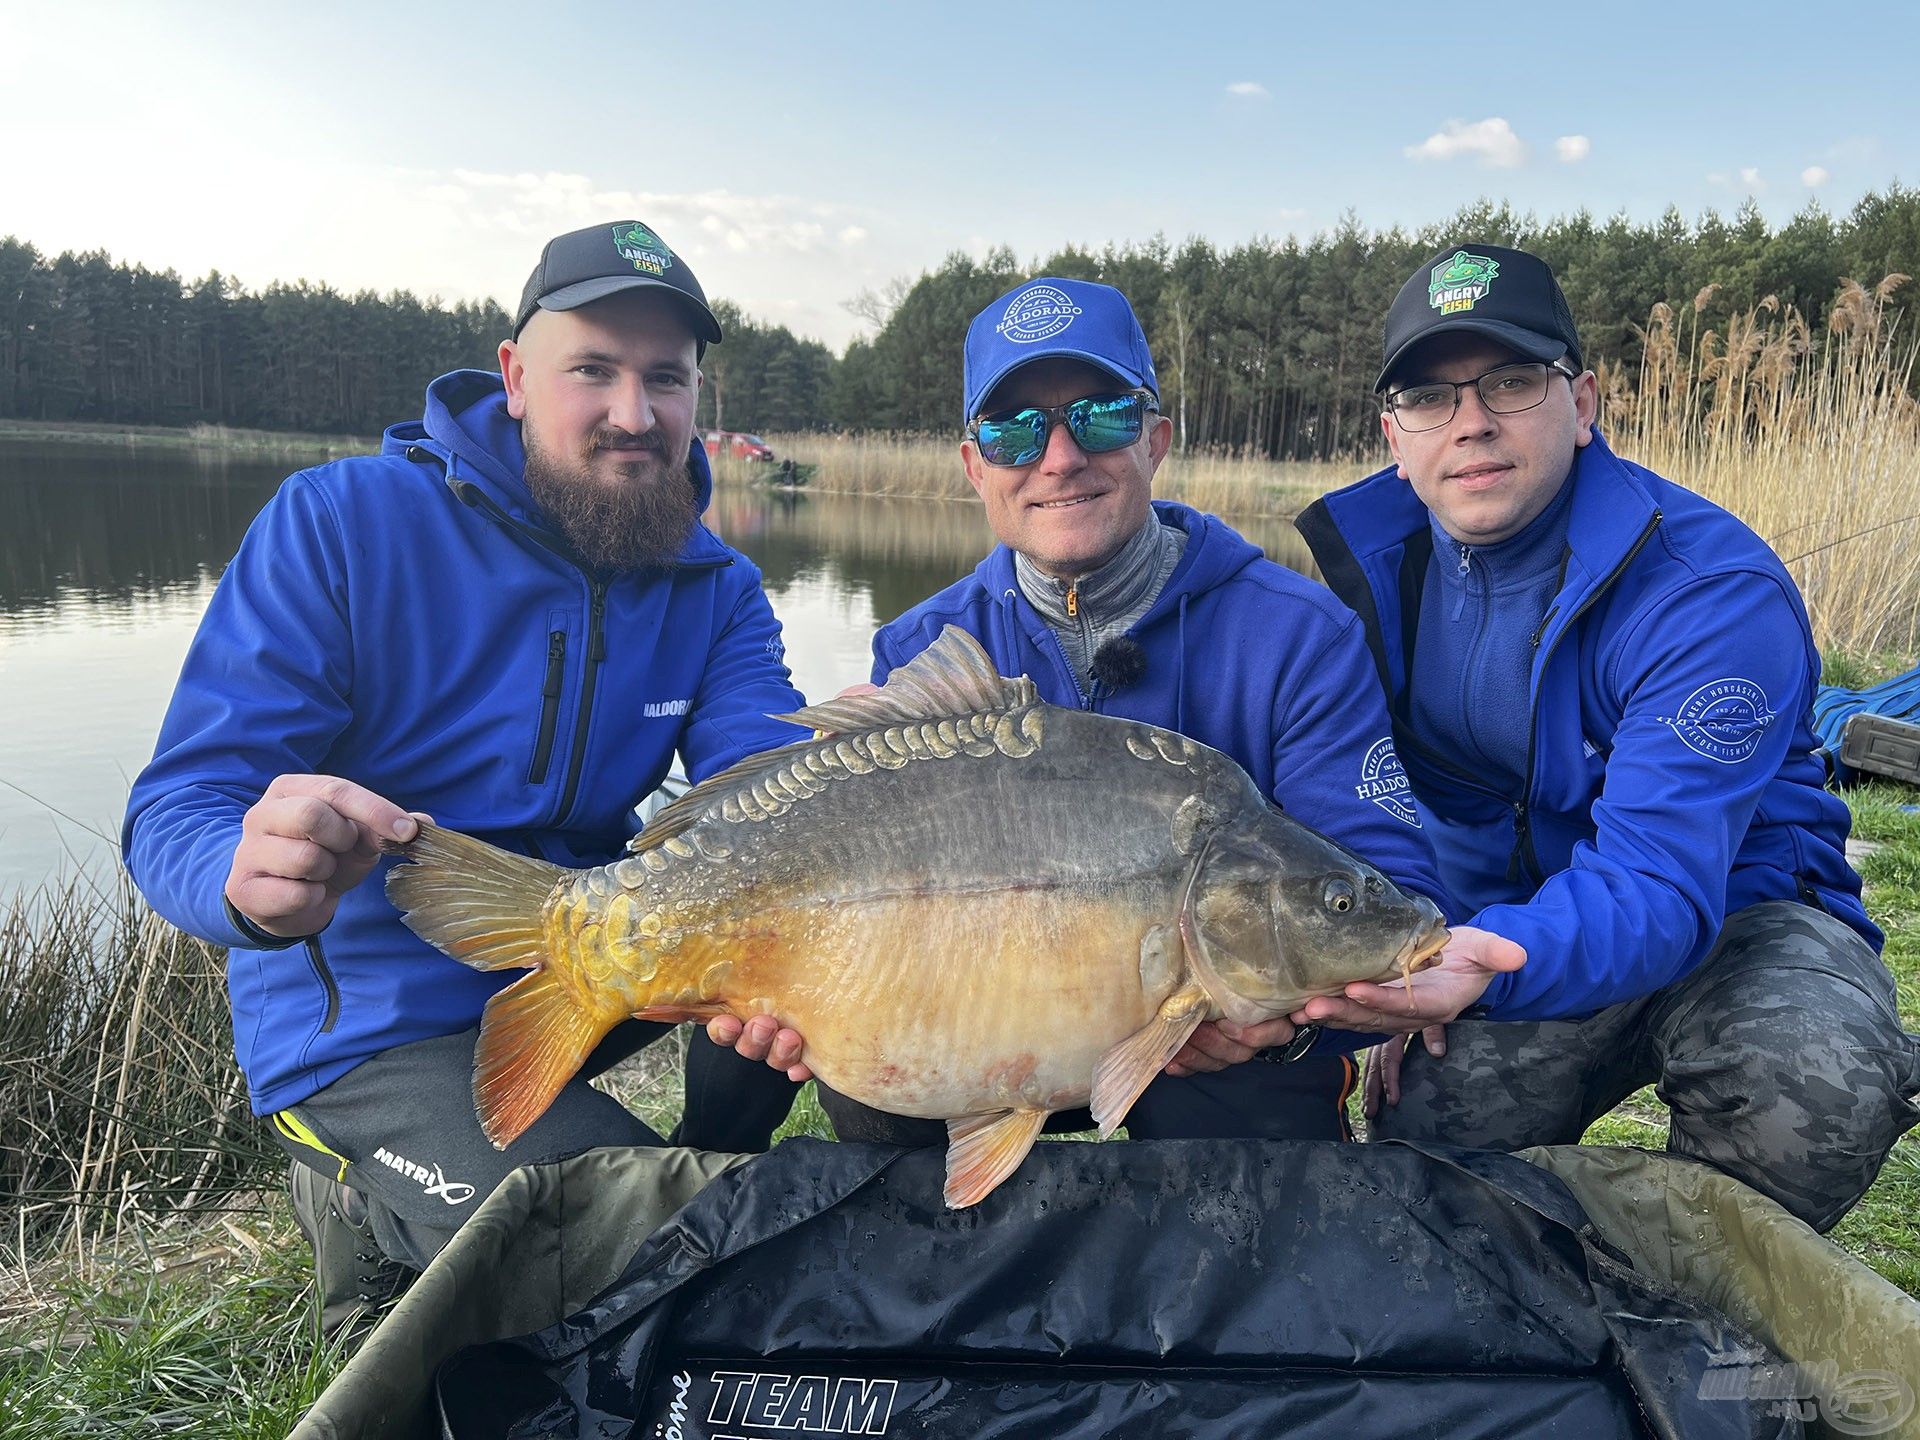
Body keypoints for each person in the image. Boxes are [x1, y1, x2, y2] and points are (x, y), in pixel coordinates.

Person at [121, 221, 809, 1326]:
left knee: (801, 957)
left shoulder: (717, 585)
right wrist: (238, 876)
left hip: (578, 965)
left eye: (665, 379)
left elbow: (770, 788)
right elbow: (177, 805)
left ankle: (690, 1177)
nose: (634, 414)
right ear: (516, 377)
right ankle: (361, 1193)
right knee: (624, 1245)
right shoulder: (342, 524)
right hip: (371, 1005)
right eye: (593, 369)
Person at [714, 276, 1481, 1145]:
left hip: (1215, 1038)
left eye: (1099, 416)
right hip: (989, 1011)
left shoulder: (1297, 634)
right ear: (975, 468)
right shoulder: (924, 647)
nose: (1059, 457)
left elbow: (1388, 893)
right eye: (1012, 431)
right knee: (875, 1085)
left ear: (1155, 440)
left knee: (1252, 1124)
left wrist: (1290, 1023)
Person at [1292, 242, 1920, 1231]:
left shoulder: (1709, 593)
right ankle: (1516, 1310)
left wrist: (1469, 960)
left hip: (1738, 918)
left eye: (1510, 381)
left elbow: (1659, 889)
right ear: (1393, 435)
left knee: (1806, 1090)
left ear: (1581, 405)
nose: (1472, 423)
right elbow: (1355, 811)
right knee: (1434, 1130)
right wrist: (1408, 949)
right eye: (1430, 397)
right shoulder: (1367, 579)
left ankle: (1699, 1313)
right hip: (1509, 922)